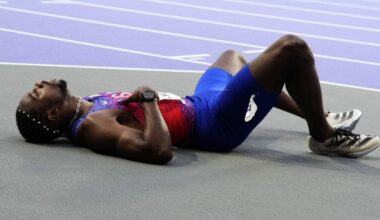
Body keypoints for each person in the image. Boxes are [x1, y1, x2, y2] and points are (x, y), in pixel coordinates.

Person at [16, 35, 380, 164]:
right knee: (291, 49)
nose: (39, 83)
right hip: (214, 124)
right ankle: (324, 135)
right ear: (51, 113)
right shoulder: (93, 125)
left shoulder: (87, 104)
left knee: (231, 57)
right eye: (36, 92)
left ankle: (318, 114)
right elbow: (158, 151)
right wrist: (147, 99)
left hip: (198, 102)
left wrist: (149, 101)